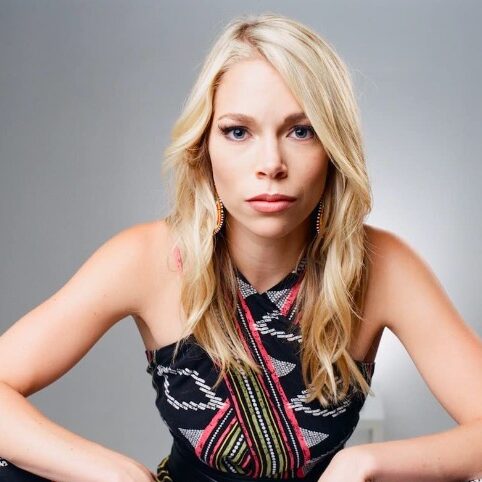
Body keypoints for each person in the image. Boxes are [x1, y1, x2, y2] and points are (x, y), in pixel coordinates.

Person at [1, 11, 481, 482]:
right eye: (238, 132)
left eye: (301, 131)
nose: (271, 163)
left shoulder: (383, 266)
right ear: (203, 147)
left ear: (333, 148)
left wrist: (366, 464)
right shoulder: (148, 258)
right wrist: (114, 474)